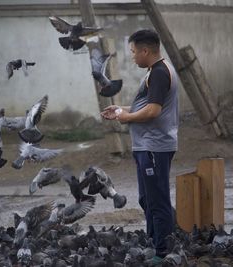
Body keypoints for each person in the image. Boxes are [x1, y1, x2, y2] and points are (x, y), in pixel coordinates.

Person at [101, 29, 178, 264]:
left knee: (157, 199)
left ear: (146, 51)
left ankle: (164, 252)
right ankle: (155, 243)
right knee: (147, 198)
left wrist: (127, 118)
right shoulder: (156, 72)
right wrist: (121, 111)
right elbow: (149, 104)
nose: (133, 57)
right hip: (148, 145)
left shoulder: (159, 73)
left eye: (134, 52)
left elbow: (153, 111)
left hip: (154, 147)